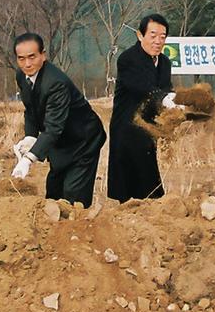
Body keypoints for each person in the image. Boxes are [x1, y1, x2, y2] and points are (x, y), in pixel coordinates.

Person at [11, 32, 106, 206]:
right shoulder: (21, 76)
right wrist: (30, 137)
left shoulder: (56, 83)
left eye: (32, 57)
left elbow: (54, 127)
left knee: (73, 195)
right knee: (54, 192)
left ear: (43, 55)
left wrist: (28, 160)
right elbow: (31, 109)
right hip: (61, 142)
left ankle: (78, 220)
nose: (27, 64)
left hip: (83, 139)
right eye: (21, 58)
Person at [108, 13, 179, 202]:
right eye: (153, 35)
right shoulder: (128, 59)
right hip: (127, 125)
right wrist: (164, 98)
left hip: (148, 127)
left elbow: (166, 88)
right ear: (140, 35)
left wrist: (175, 103)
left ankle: (150, 207)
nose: (158, 41)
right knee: (127, 180)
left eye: (162, 37)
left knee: (148, 175)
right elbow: (142, 87)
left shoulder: (164, 62)